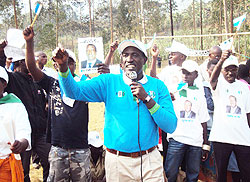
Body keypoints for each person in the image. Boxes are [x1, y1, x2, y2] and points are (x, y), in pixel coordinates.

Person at [53, 38, 177, 181]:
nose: (129, 58)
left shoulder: (158, 85)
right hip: (118, 162)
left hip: (150, 161)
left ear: (145, 60)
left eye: (135, 54)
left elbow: (171, 125)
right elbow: (74, 92)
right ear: (121, 62)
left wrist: (147, 100)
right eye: (125, 55)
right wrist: (63, 67)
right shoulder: (108, 82)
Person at [23, 26, 110, 181]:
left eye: (69, 62)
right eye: (59, 62)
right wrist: (29, 43)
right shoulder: (52, 83)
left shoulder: (84, 85)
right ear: (55, 65)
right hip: (58, 148)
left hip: (81, 147)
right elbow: (31, 67)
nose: (64, 65)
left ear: (75, 65)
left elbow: (103, 84)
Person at [0, 40, 50, 182]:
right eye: (27, 61)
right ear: (21, 63)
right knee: (22, 170)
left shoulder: (35, 82)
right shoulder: (13, 80)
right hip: (20, 136)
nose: (31, 64)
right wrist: (1, 52)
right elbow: (1, 71)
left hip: (40, 134)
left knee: (50, 161)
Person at [165, 60, 210, 182]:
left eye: (189, 73)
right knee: (170, 173)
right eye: (183, 72)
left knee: (193, 175)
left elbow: (203, 121)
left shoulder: (200, 94)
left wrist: (205, 144)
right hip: (177, 137)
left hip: (195, 141)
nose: (185, 76)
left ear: (196, 75)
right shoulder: (173, 90)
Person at [209, 52, 250, 182]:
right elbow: (212, 79)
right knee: (221, 174)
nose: (230, 73)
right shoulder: (219, 85)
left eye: (234, 70)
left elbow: (248, 113)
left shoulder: (244, 87)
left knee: (247, 172)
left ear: (237, 70)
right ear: (222, 71)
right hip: (221, 137)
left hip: (242, 138)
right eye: (227, 70)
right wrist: (221, 60)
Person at [0, 66, 31, 182]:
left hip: (6, 164)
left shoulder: (15, 105)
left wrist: (21, 143)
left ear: (4, 84)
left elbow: (23, 130)